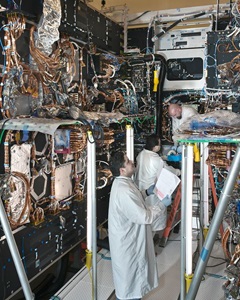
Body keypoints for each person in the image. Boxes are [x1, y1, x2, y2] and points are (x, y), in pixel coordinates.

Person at [108, 151, 165, 300]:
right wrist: (161, 206)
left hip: (131, 240)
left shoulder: (124, 183)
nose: (132, 162)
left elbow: (135, 199)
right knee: (130, 287)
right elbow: (144, 216)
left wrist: (147, 192)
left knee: (134, 285)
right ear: (122, 170)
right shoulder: (123, 190)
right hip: (129, 246)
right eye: (128, 161)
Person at [135, 134, 180, 222]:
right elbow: (167, 170)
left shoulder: (141, 154)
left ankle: (150, 232)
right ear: (155, 147)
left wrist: (163, 157)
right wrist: (179, 171)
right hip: (152, 190)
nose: (160, 146)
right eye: (159, 144)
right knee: (154, 214)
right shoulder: (156, 159)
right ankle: (154, 234)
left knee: (145, 213)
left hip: (140, 188)